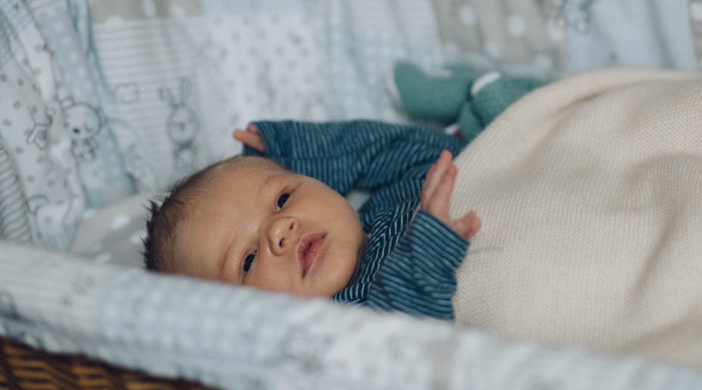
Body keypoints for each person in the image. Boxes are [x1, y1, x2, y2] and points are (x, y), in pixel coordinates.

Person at [143, 119, 481, 319]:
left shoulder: (394, 201)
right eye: (247, 261)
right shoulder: (347, 324)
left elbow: (411, 150)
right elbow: (407, 353)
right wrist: (429, 248)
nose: (279, 229)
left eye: (283, 199)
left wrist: (298, 148)